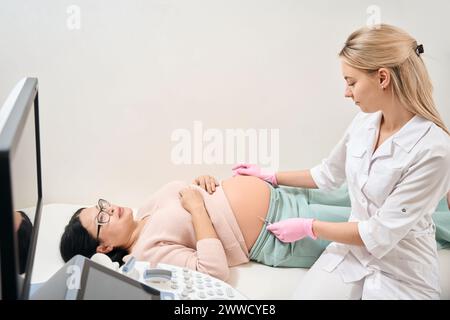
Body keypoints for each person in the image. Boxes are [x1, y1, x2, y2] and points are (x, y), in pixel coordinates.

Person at [233, 24, 450, 299]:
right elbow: (327, 174)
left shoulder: (434, 149)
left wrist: (309, 227)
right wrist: (271, 175)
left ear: (383, 78)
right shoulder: (365, 122)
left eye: (351, 82)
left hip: (403, 272)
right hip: (350, 254)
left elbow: (379, 233)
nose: (347, 93)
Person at [59, 174, 450, 283]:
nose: (108, 209)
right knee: (376, 230)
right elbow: (212, 271)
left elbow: (194, 192)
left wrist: (203, 181)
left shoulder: (146, 208)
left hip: (282, 194)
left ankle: (439, 195)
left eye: (101, 206)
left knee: (376, 194)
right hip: (280, 232)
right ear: (104, 248)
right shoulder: (147, 253)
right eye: (101, 220)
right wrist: (197, 209)